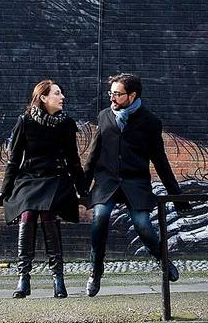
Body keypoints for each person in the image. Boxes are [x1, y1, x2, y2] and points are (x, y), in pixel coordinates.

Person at [82, 72, 191, 297]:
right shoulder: (104, 116)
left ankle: (163, 259)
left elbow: (160, 161)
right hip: (107, 182)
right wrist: (82, 187)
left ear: (132, 96)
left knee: (143, 226)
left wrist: (177, 195)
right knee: (100, 219)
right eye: (111, 93)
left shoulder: (150, 122)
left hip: (135, 183)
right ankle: (95, 269)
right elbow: (93, 154)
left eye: (118, 94)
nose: (112, 98)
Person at [0, 79, 87, 299]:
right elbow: (14, 160)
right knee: (27, 213)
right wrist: (5, 189)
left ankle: (58, 278)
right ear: (43, 97)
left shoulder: (66, 124)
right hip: (29, 179)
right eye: (57, 93)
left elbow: (73, 160)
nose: (62, 97)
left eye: (61, 93)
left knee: (47, 212)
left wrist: (83, 190)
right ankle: (23, 278)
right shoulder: (25, 122)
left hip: (56, 179)